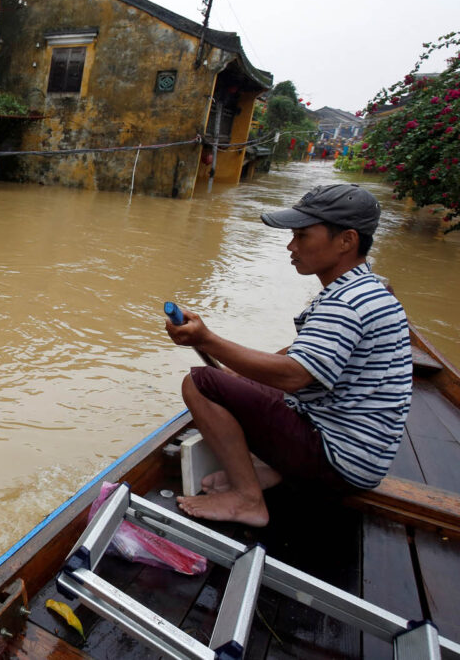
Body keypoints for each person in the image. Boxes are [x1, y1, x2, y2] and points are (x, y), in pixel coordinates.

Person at [166, 184, 412, 527]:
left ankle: (247, 499)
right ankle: (272, 471)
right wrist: (240, 375)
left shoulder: (346, 304)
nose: (291, 247)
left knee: (200, 383)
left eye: (302, 235)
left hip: (339, 463)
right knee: (236, 380)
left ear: (346, 241)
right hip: (362, 456)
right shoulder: (368, 288)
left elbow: (294, 375)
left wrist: (206, 340)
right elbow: (306, 353)